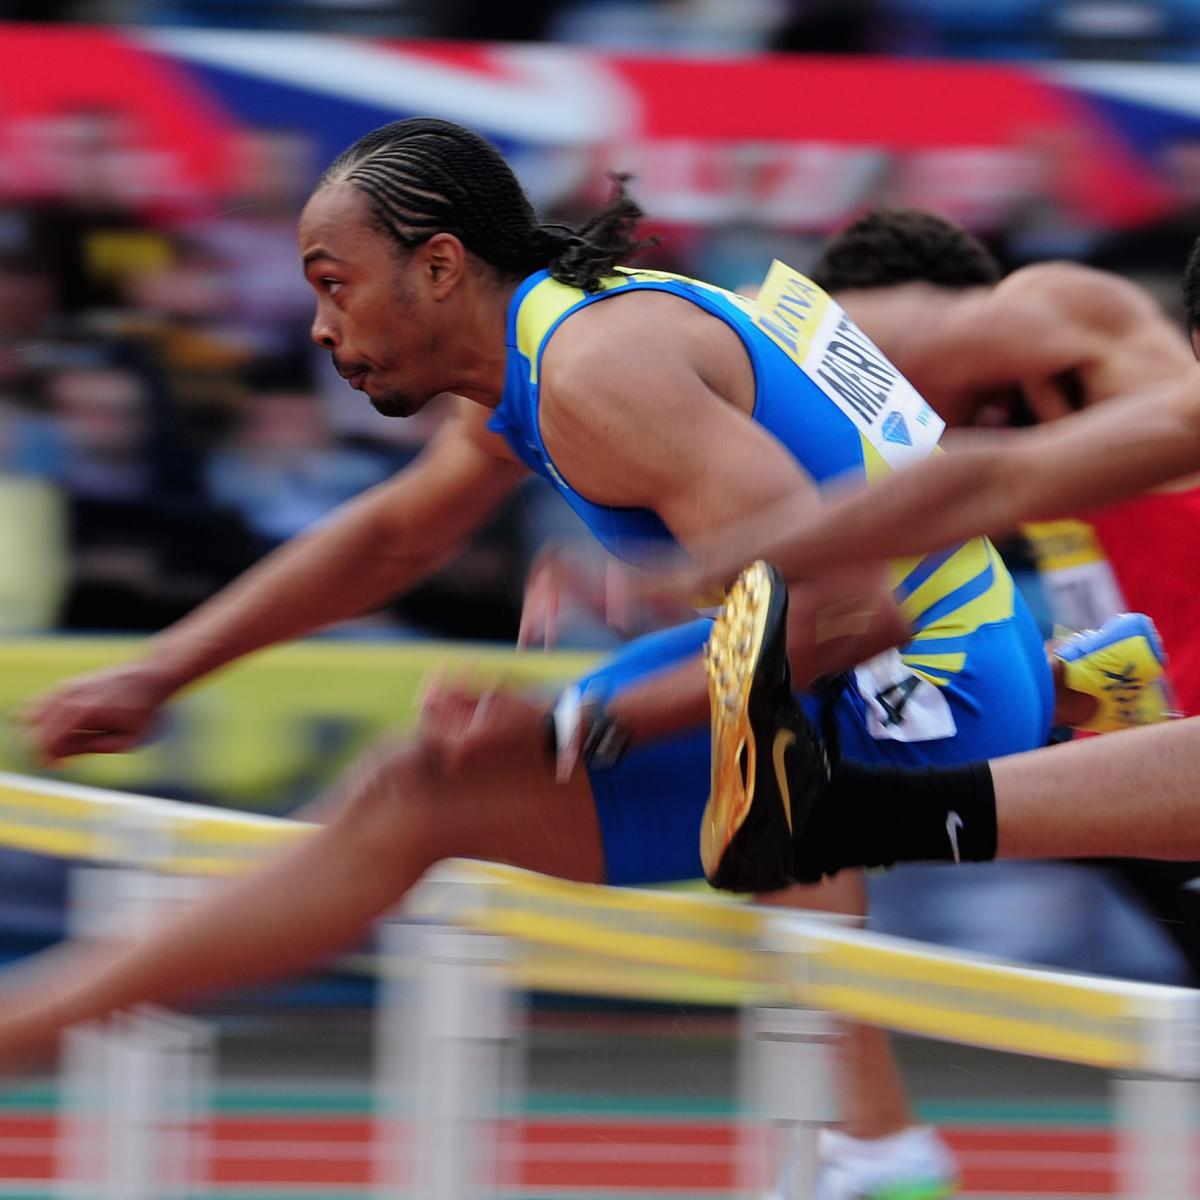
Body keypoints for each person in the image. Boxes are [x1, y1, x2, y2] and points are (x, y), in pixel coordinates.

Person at [10, 120, 1099, 1200]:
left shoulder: (596, 372)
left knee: (417, 797)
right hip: (903, 637)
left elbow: (851, 614)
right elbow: (394, 533)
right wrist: (162, 672)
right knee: (584, 754)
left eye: (334, 285)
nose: (315, 326)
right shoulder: (551, 340)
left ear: (439, 267)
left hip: (925, 681)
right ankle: (874, 1147)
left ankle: (25, 1033)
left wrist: (563, 732)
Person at [699, 229, 1200, 899]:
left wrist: (735, 320)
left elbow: (821, 330)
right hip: (1151, 791)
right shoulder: (1120, 426)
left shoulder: (1077, 315)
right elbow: (992, 481)